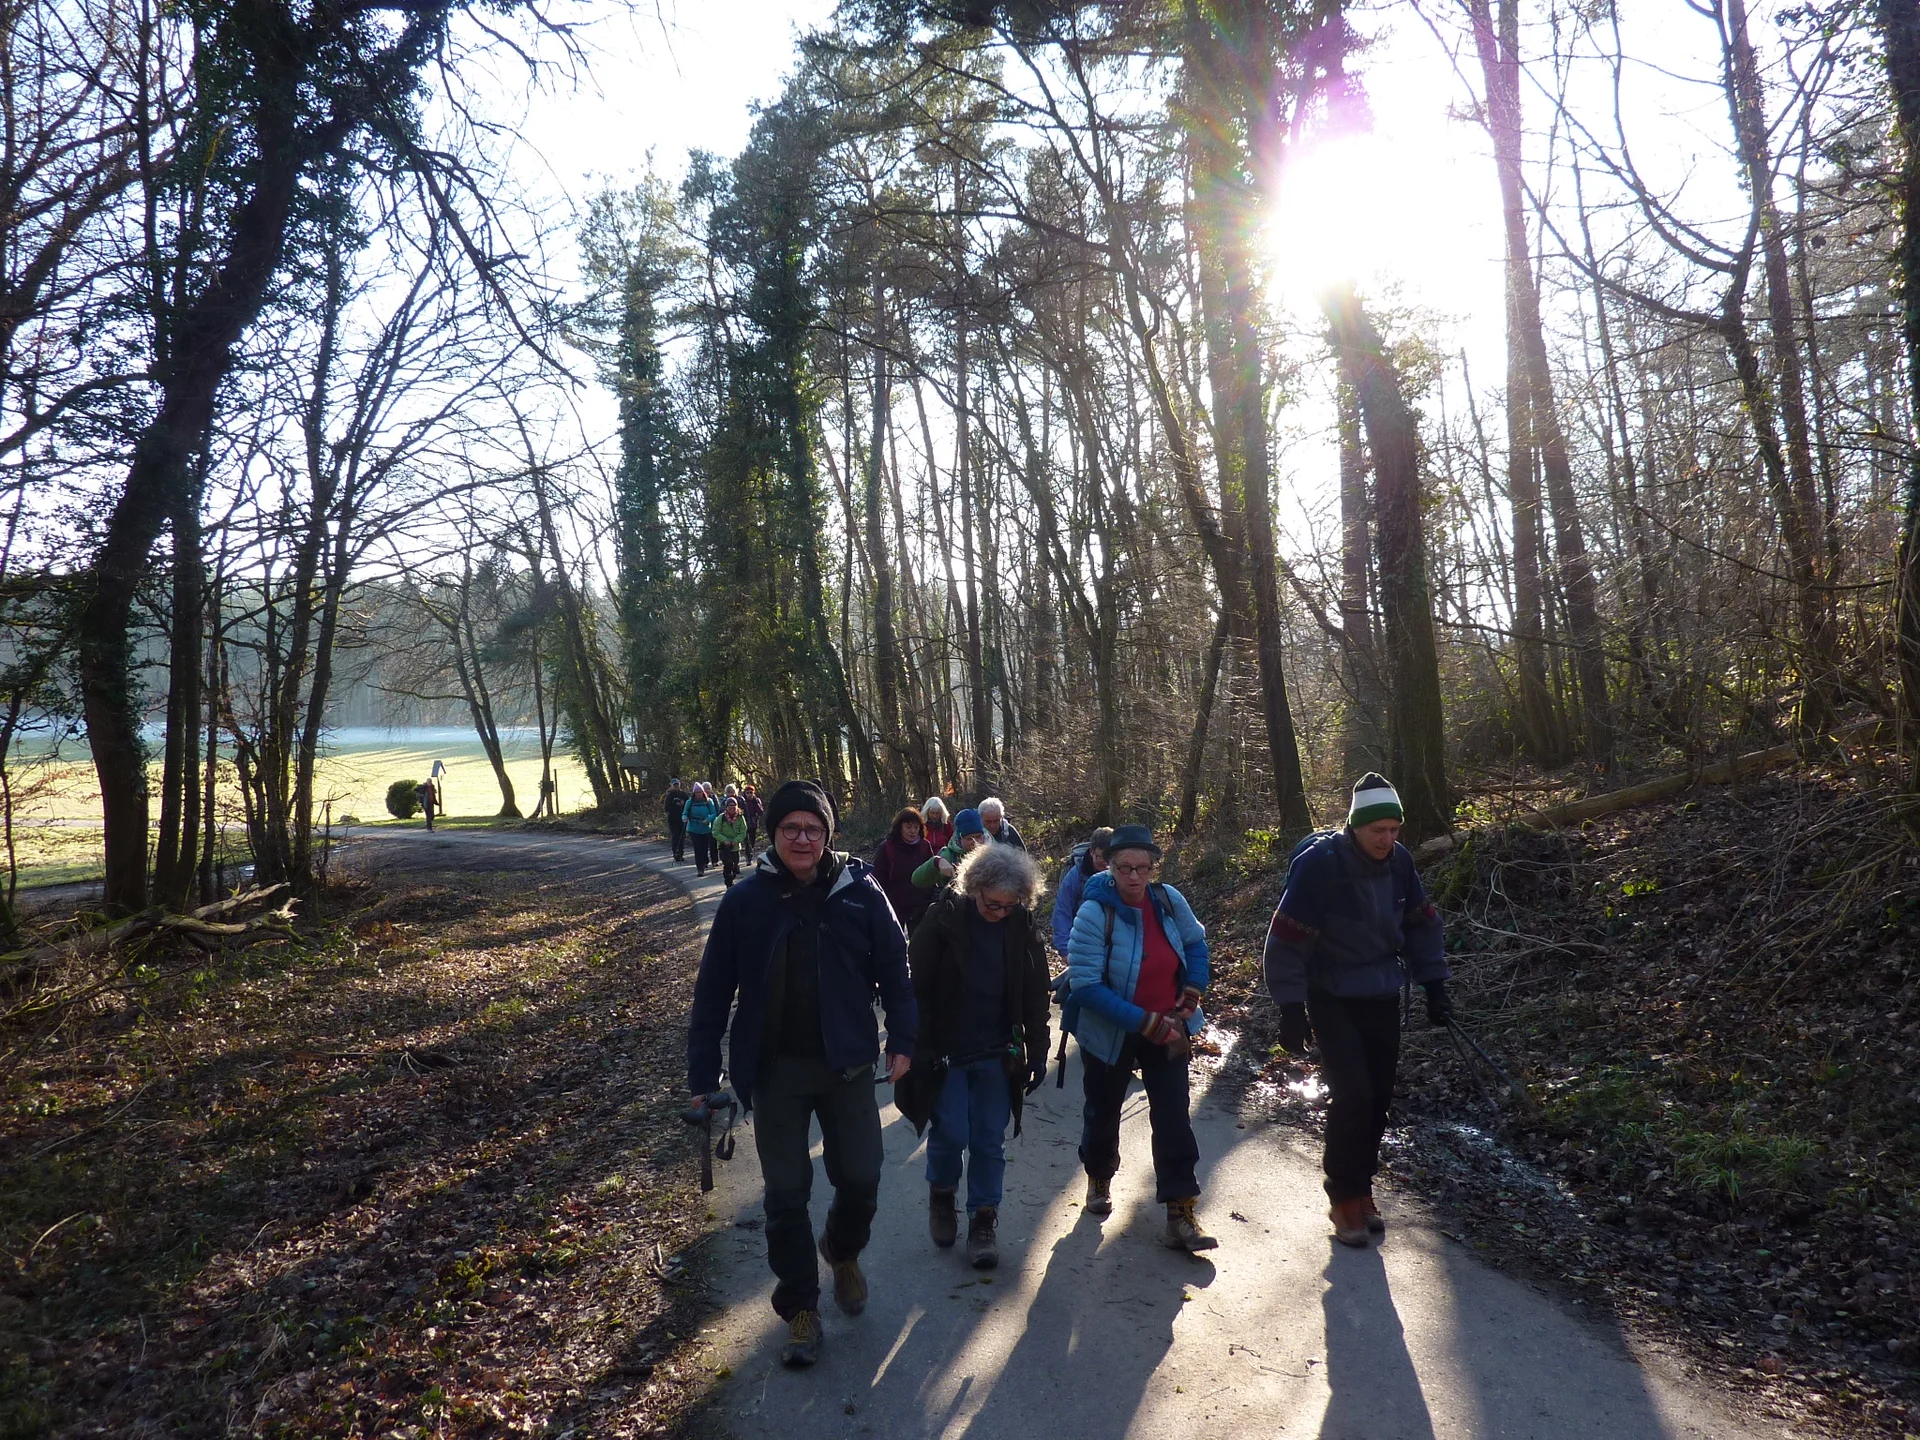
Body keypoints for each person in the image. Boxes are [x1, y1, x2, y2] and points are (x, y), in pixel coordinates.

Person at [686, 780, 917, 1368]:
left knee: (862, 1176)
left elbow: (896, 967)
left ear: (828, 835)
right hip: (776, 1071)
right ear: (775, 835)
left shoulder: (861, 890)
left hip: (846, 1065)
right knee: (787, 1194)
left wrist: (905, 1040)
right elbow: (713, 990)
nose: (802, 838)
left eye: (813, 828)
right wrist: (703, 1072)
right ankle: (801, 1310)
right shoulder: (746, 900)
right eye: (791, 828)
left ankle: (841, 1250)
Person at [1262, 773, 1450, 1247]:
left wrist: (1435, 985)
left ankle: (1363, 1188)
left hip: (1382, 990)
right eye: (1377, 831)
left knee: (1379, 1098)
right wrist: (1290, 1008)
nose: (1387, 840)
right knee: (1354, 1095)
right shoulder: (1322, 866)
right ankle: (1342, 1195)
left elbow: (1422, 924)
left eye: (1394, 830)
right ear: (1354, 827)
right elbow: (1284, 939)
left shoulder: (1401, 862)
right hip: (1331, 993)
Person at [1065, 823, 1217, 1252]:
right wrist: (1145, 1022)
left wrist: (1190, 996)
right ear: (1109, 867)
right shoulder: (1095, 911)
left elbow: (1197, 945)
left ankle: (1180, 1210)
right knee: (1103, 1110)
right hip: (1111, 1029)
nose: (1134, 877)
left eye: (1143, 868)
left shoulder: (1169, 901)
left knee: (1173, 1116)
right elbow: (1086, 985)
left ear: (1153, 868)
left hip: (1167, 1024)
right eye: (1125, 868)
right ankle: (1098, 1176)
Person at [898, 843, 1050, 1270]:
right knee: (951, 1134)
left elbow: (1037, 991)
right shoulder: (941, 918)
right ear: (973, 888)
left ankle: (983, 1219)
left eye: (1009, 905)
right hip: (946, 1052)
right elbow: (914, 989)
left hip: (997, 1053)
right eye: (992, 903)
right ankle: (942, 1194)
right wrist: (913, 1045)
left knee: (989, 1138)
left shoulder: (1021, 923)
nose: (999, 912)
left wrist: (1037, 1048)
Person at [1050, 827, 1115, 958]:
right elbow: (1062, 912)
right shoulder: (1075, 876)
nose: (1106, 863)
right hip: (1083, 942)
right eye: (1101, 857)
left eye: (1110, 858)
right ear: (1091, 852)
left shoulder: (1120, 872)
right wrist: (1065, 950)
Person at [871, 807, 936, 932]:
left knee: (919, 947)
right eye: (908, 827)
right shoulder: (886, 847)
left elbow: (930, 873)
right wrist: (885, 900)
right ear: (899, 827)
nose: (912, 831)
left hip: (920, 906)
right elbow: (878, 878)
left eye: (916, 827)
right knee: (894, 945)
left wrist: (929, 896)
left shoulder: (924, 846)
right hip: (893, 905)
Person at [911, 807, 988, 891]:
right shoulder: (949, 856)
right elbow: (916, 880)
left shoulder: (992, 852)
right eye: (969, 838)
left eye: (978, 837)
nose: (975, 842)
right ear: (959, 839)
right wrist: (936, 862)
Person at [685, 783, 720, 876]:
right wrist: (684, 817)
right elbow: (684, 813)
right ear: (694, 793)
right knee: (697, 848)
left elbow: (714, 813)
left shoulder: (709, 801)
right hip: (693, 828)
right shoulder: (689, 802)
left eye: (700, 792)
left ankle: (704, 862)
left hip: (705, 828)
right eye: (697, 792)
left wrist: (708, 819)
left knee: (704, 848)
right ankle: (699, 869)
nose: (699, 794)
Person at [714, 796, 749, 888]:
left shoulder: (741, 818)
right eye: (729, 807)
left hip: (735, 847)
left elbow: (743, 831)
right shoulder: (720, 818)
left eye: (734, 806)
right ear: (726, 807)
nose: (732, 808)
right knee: (728, 864)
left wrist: (736, 841)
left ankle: (732, 877)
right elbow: (715, 832)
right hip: (724, 847)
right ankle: (729, 883)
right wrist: (725, 840)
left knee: (735, 865)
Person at [664, 779, 691, 863]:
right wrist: (675, 806)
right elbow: (667, 808)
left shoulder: (683, 794)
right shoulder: (669, 795)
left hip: (682, 819)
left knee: (682, 837)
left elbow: (688, 805)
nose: (676, 786)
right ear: (672, 785)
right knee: (675, 836)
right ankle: (676, 853)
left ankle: (681, 853)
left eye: (677, 784)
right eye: (674, 785)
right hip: (673, 819)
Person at [741, 783, 765, 856]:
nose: (749, 794)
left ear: (753, 793)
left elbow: (760, 812)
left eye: (751, 792)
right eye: (747, 792)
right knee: (746, 839)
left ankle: (751, 850)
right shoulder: (742, 801)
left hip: (753, 822)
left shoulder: (756, 800)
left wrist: (756, 803)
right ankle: (748, 854)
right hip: (744, 821)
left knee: (752, 838)